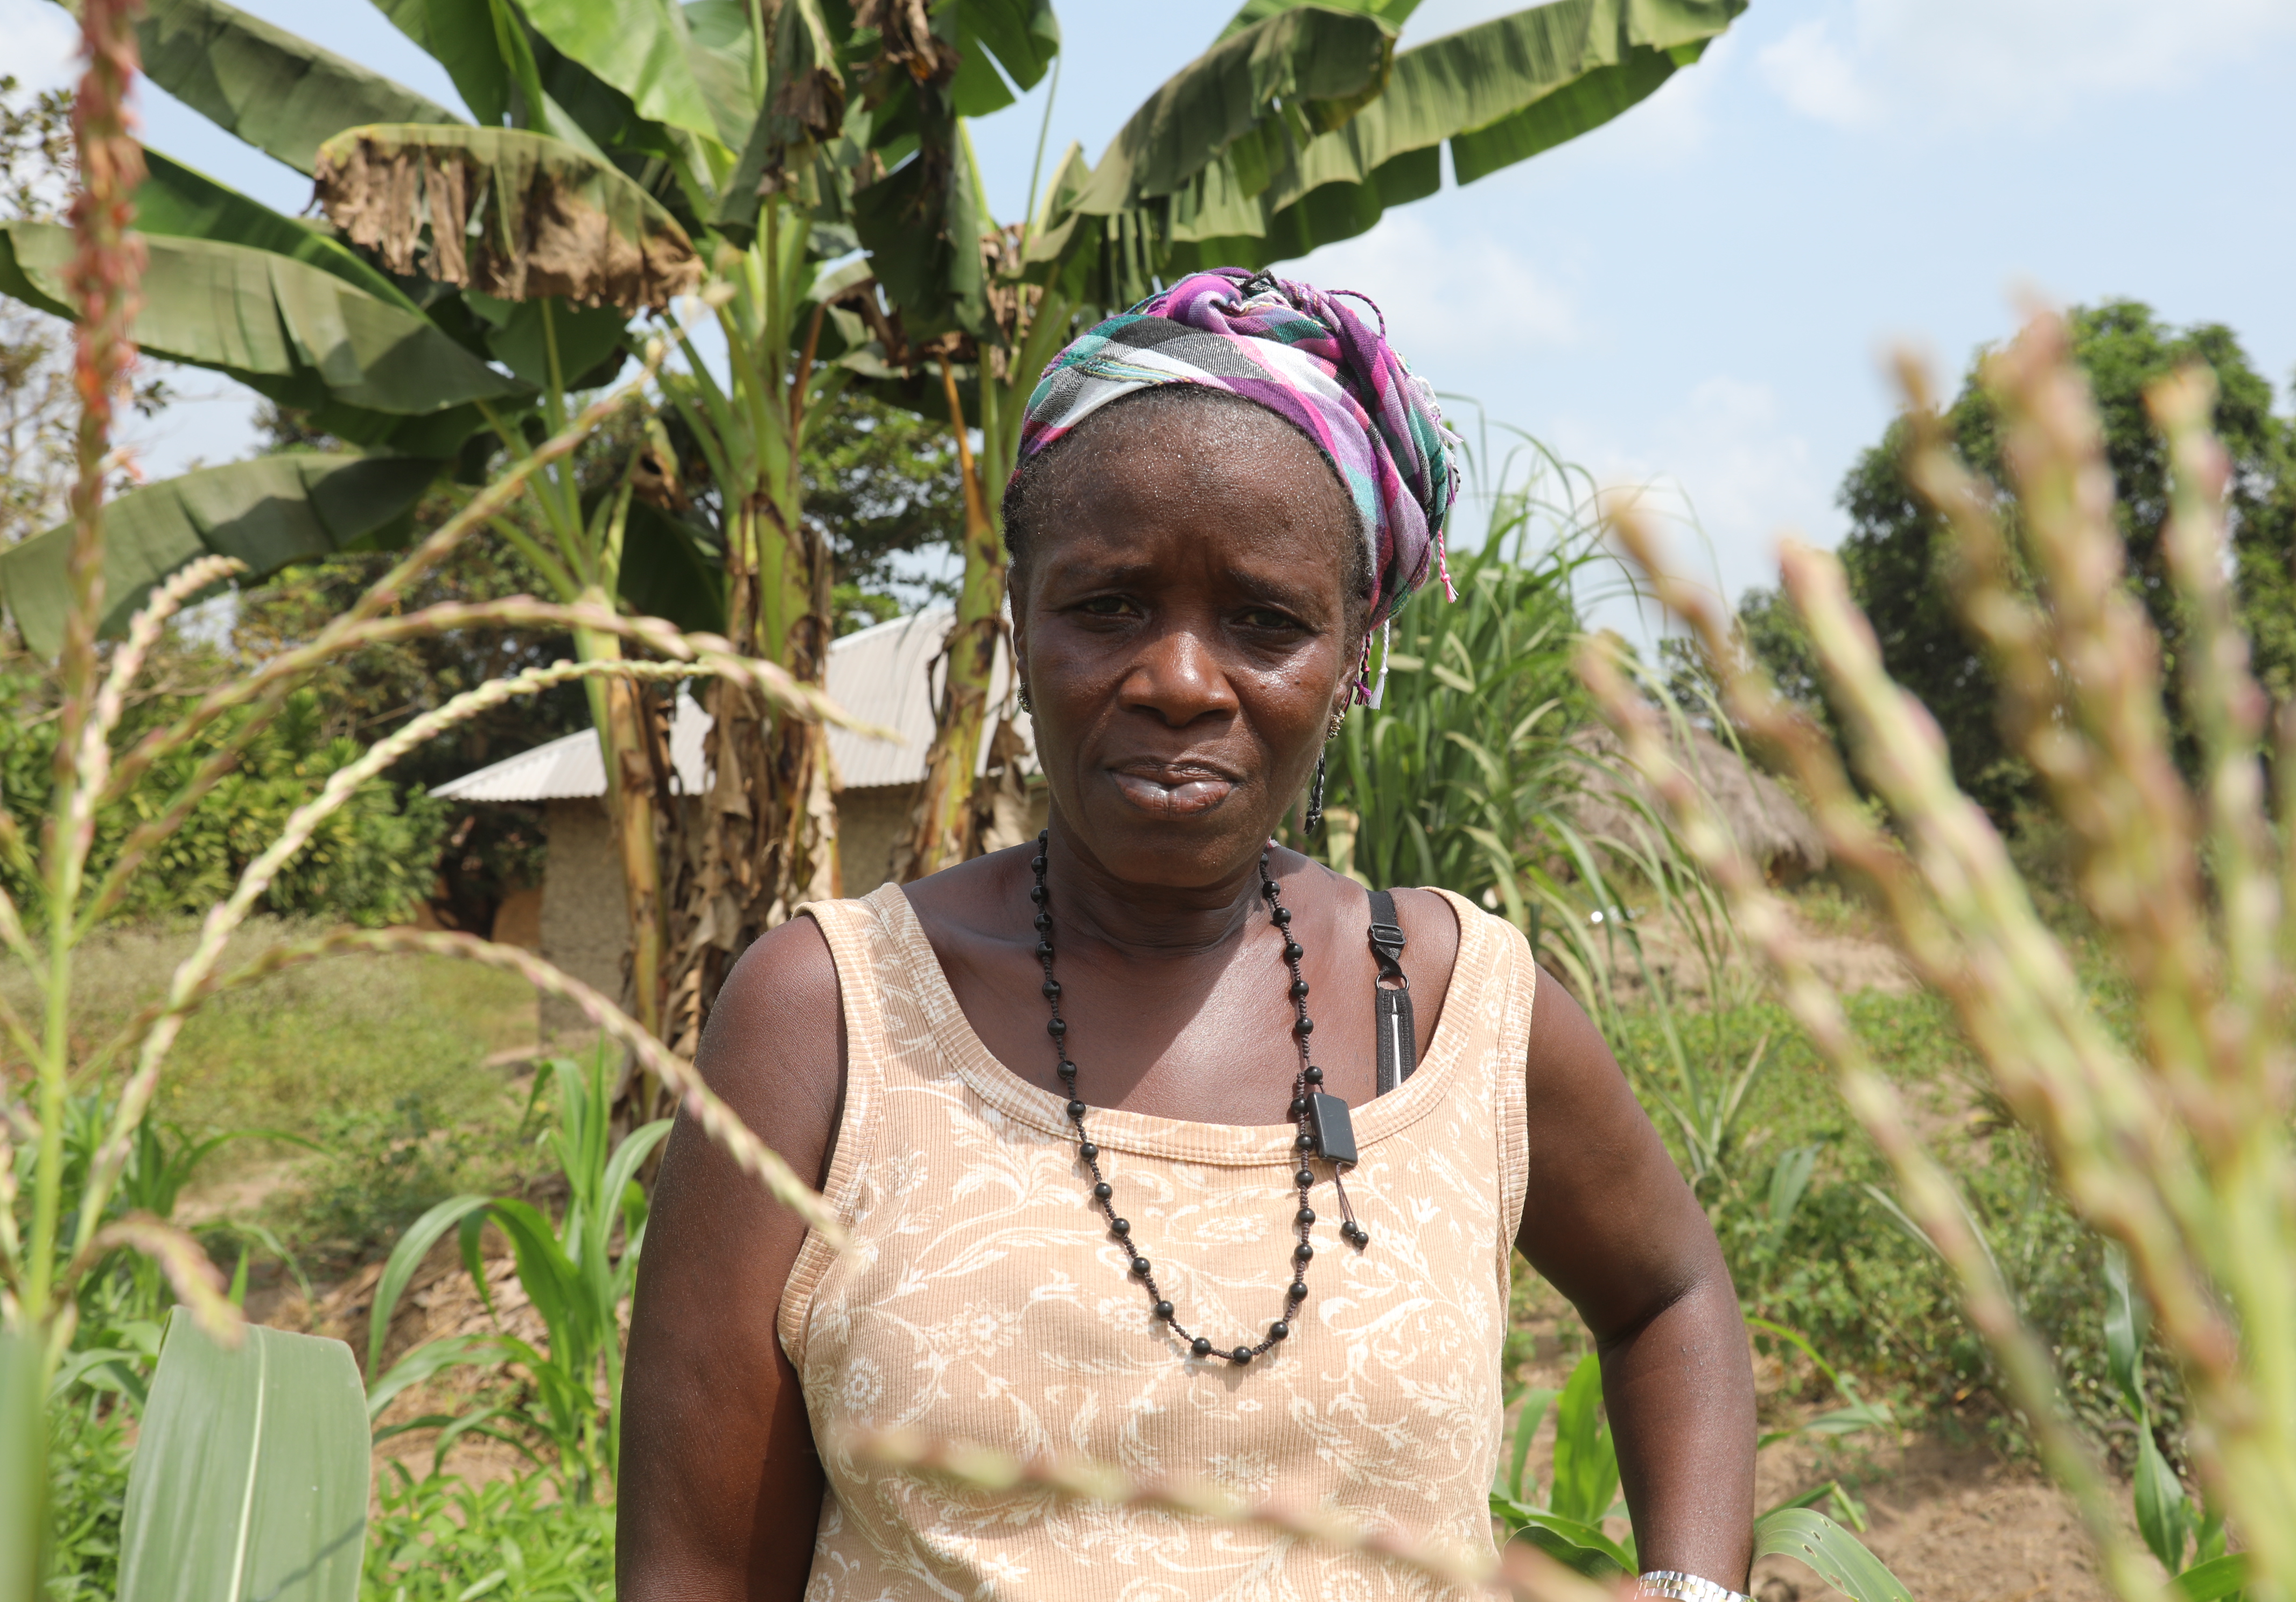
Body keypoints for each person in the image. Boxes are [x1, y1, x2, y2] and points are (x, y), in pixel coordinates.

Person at [618, 269, 1758, 1601]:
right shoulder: (830, 1018)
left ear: (1353, 657)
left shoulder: (1458, 1009)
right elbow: (694, 1576)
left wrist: (1693, 1590)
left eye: (1266, 624)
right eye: (1109, 606)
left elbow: (1672, 1297)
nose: (1177, 680)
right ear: (1021, 618)